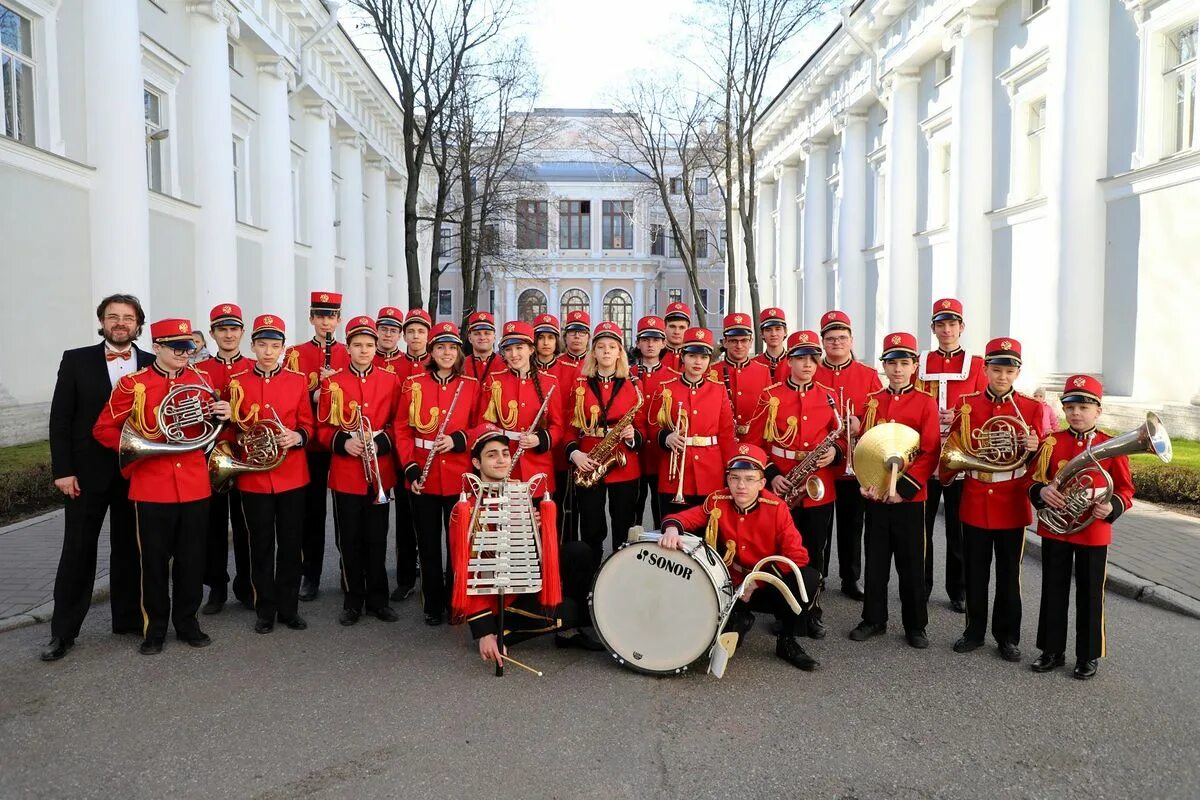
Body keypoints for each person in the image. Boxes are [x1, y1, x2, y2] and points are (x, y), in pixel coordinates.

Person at [92, 318, 232, 655]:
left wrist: (223, 415)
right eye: (177, 347)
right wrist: (143, 444)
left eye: (189, 347)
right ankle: (153, 628)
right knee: (153, 562)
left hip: (195, 484)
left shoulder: (202, 379)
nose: (186, 353)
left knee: (191, 559)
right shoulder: (133, 384)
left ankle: (187, 622)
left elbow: (214, 431)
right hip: (152, 484)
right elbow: (103, 429)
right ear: (157, 347)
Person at [42, 294, 153, 661]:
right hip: (85, 475)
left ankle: (127, 619)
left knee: (130, 549)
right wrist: (63, 470)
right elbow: (60, 419)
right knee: (77, 551)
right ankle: (63, 632)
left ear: (139, 324)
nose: (120, 323)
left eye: (128, 317)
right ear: (102, 321)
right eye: (113, 317)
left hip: (135, 472)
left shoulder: (153, 363)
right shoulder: (76, 360)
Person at [658, 445, 822, 671]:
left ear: (762, 483)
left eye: (749, 479)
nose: (741, 486)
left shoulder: (777, 508)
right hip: (730, 584)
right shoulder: (718, 500)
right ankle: (740, 617)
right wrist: (672, 529)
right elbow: (681, 518)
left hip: (765, 586)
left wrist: (757, 582)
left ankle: (786, 640)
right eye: (734, 478)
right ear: (728, 479)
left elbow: (798, 556)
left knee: (808, 578)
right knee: (714, 647)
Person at [451, 428, 599, 668]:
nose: (501, 460)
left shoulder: (518, 491)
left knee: (579, 552)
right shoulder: (466, 508)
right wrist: (483, 630)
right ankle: (502, 633)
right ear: (476, 462)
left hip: (523, 576)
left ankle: (573, 627)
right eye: (492, 455)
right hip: (498, 598)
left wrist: (535, 530)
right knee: (569, 612)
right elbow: (467, 570)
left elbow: (529, 552)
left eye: (505, 453)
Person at [948, 337, 1050, 662]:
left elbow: (1041, 467)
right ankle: (973, 632)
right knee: (975, 572)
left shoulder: (1032, 409)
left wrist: (1035, 449)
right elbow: (954, 446)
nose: (1001, 376)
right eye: (996, 369)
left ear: (1017, 372)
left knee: (1009, 575)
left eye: (1008, 370)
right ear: (986, 369)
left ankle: (1007, 637)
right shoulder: (968, 405)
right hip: (976, 496)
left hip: (1011, 501)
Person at [1028, 375, 1134, 680]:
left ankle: (1087, 655)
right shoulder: (1052, 442)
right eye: (1070, 406)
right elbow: (1032, 480)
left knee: (1090, 594)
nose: (1076, 412)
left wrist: (1111, 507)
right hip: (1056, 529)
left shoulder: (1111, 445)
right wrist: (1041, 493)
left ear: (1097, 410)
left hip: (1093, 530)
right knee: (1053, 590)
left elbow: (1126, 490)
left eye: (1084, 406)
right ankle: (1051, 650)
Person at [847, 332, 940, 649]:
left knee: (912, 562)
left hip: (910, 497)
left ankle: (916, 625)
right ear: (884, 366)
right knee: (875, 559)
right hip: (876, 496)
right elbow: (865, 449)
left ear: (914, 365)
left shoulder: (926, 403)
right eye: (892, 363)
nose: (898, 369)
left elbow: (929, 452)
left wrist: (903, 489)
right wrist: (866, 482)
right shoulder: (873, 401)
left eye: (904, 362)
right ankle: (873, 618)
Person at [221, 314, 312, 633]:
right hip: (254, 476)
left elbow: (308, 424)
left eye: (275, 345)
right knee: (260, 545)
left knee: (290, 545)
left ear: (283, 349)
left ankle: (290, 608)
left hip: (291, 475)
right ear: (253, 346)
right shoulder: (238, 383)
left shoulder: (299, 381)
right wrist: (237, 433)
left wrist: (296, 436)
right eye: (262, 345)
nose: (268, 351)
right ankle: (265, 609)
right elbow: (230, 431)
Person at [747, 329, 841, 639]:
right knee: (782, 551)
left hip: (817, 486)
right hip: (782, 485)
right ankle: (783, 611)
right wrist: (772, 474)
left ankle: (812, 611)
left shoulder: (828, 395)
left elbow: (842, 439)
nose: (808, 365)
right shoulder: (770, 395)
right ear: (790, 361)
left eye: (813, 359)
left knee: (815, 550)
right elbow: (754, 443)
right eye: (801, 359)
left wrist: (836, 452)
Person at [316, 315, 402, 626]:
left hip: (379, 469)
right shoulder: (332, 382)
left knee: (377, 538)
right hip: (346, 472)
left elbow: (398, 424)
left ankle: (379, 599)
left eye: (369, 345)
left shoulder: (391, 380)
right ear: (348, 348)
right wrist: (343, 443)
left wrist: (380, 443)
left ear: (376, 347)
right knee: (348, 539)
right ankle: (353, 600)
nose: (364, 350)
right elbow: (322, 427)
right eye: (357, 345)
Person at [396, 322, 483, 626]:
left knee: (457, 544)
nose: (447, 353)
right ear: (431, 352)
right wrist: (410, 468)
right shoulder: (413, 383)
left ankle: (456, 601)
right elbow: (402, 429)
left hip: (458, 474)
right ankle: (433, 603)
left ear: (460, 352)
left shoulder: (470, 385)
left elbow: (482, 425)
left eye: (452, 348)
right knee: (429, 544)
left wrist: (460, 439)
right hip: (424, 473)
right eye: (441, 347)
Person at [913, 297, 988, 613]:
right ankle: (921, 587)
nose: (946, 330)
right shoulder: (920, 360)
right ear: (933, 328)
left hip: (962, 455)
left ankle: (957, 590)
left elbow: (984, 404)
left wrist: (957, 414)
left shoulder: (977, 364)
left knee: (958, 527)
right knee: (922, 529)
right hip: (927, 456)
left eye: (952, 324)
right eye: (940, 324)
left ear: (962, 327)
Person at [285, 291, 350, 602]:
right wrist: (316, 388)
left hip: (341, 443)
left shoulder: (350, 352)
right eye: (320, 315)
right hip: (309, 445)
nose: (326, 321)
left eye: (331, 316)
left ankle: (346, 569)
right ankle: (309, 575)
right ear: (311, 318)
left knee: (343, 512)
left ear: (338, 320)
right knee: (311, 513)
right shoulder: (294, 354)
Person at [814, 310, 881, 601]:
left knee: (853, 524)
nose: (837, 343)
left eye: (842, 337)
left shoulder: (868, 375)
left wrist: (861, 423)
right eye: (831, 338)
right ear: (823, 342)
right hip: (823, 463)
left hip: (856, 462)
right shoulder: (812, 371)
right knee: (820, 524)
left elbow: (881, 414)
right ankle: (818, 576)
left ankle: (850, 578)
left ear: (851, 339)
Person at [565, 321, 646, 561]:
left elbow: (643, 428)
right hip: (589, 461)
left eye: (612, 346)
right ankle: (590, 578)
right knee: (591, 527)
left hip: (624, 465)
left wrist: (633, 437)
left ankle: (619, 577)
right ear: (594, 352)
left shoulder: (634, 384)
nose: (607, 351)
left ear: (620, 352)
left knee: (623, 526)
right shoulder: (580, 384)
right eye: (601, 347)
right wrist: (574, 454)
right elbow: (570, 428)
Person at [194, 303, 252, 615]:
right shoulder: (199, 372)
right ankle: (216, 587)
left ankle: (247, 585)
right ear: (213, 333)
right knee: (212, 527)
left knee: (246, 525)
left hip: (244, 457)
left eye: (234, 329)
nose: (228, 334)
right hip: (210, 457)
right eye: (222, 329)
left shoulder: (256, 367)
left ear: (242, 332)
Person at [646, 327, 736, 513]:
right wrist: (666, 437)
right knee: (673, 530)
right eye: (692, 356)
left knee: (706, 532)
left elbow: (726, 435)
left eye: (703, 357)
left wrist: (729, 471)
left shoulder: (718, 390)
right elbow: (653, 426)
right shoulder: (666, 388)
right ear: (683, 358)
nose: (697, 362)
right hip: (675, 470)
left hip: (710, 471)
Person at [480, 321, 566, 492]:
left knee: (539, 518)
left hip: (538, 464)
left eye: (519, 348)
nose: (514, 354)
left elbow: (558, 427)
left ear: (531, 349)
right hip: (503, 463)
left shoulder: (550, 382)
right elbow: (483, 424)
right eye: (508, 349)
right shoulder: (494, 381)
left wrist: (540, 439)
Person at [389, 307, 432, 601]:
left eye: (421, 331)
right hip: (402, 453)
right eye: (411, 331)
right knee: (405, 519)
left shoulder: (442, 361)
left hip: (436, 454)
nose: (416, 336)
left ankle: (433, 572)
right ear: (404, 335)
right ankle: (405, 576)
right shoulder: (392, 366)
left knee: (433, 520)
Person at [631, 315, 672, 529]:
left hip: (660, 455)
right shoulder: (626, 375)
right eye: (645, 340)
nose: (650, 344)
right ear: (638, 343)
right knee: (631, 513)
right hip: (633, 455)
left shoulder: (673, 377)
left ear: (663, 343)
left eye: (655, 339)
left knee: (661, 513)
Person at [711, 313, 774, 439]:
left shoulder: (763, 371)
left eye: (744, 340)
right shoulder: (712, 371)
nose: (739, 346)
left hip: (755, 439)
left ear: (751, 342)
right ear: (725, 342)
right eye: (733, 341)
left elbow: (768, 411)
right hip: (722, 439)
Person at [464, 311, 506, 382]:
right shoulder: (461, 366)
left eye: (487, 333)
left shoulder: (505, 365)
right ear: (470, 338)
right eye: (477, 334)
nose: (482, 337)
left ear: (494, 337)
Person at [752, 307, 790, 383]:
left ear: (785, 332)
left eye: (778, 329)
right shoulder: (753, 364)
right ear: (762, 334)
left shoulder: (794, 363)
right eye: (768, 330)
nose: (773, 334)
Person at [373, 306, 406, 374]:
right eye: (383, 329)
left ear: (399, 335)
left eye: (393, 331)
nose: (388, 335)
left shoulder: (407, 361)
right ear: (376, 332)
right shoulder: (366, 359)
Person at [660, 301, 691, 373]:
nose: (676, 332)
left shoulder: (695, 358)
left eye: (682, 327)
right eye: (672, 326)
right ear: (664, 327)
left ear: (688, 329)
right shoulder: (655, 356)